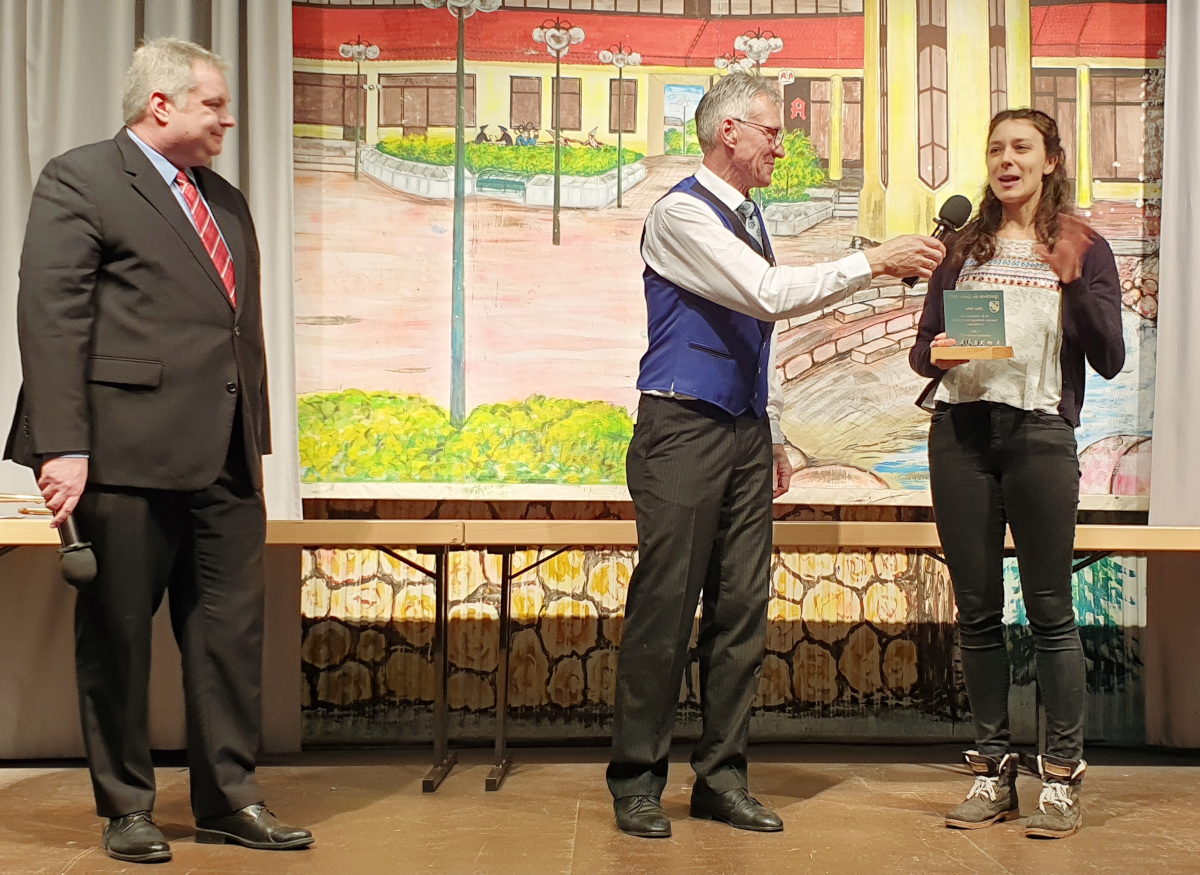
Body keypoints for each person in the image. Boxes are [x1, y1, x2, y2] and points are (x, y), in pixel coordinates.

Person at [607, 72, 946, 839]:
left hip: (742, 432)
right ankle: (637, 781)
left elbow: (759, 335)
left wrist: (774, 427)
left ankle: (722, 778)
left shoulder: (749, 214)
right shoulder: (679, 214)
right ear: (728, 131)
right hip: (682, 428)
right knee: (666, 609)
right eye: (771, 131)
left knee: (741, 610)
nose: (781, 147)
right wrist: (873, 261)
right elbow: (765, 293)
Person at [4, 38, 312, 863]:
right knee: (118, 637)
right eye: (214, 104)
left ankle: (229, 798)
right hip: (123, 454)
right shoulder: (82, 179)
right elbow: (51, 317)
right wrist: (62, 445)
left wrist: (254, 436)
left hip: (225, 457)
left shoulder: (226, 200)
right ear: (161, 103)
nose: (228, 119)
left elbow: (231, 329)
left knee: (228, 638)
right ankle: (126, 806)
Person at [909, 108, 1124, 839]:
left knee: (1050, 610)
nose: (1007, 160)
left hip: (1039, 436)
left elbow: (1110, 357)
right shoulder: (963, 246)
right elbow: (923, 352)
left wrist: (1077, 284)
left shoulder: (1082, 245)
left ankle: (1059, 778)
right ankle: (992, 770)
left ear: (1050, 160)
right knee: (976, 613)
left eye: (1022, 148)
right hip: (960, 435)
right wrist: (940, 350)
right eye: (996, 147)